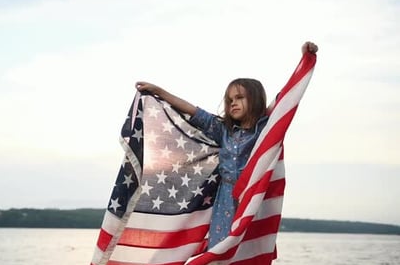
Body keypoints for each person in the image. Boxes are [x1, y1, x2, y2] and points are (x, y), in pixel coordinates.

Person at [135, 41, 318, 248]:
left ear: (256, 99)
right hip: (225, 200)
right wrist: (159, 91)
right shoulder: (224, 130)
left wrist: (305, 59)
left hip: (252, 198)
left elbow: (288, 96)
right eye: (229, 99)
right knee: (220, 250)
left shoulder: (267, 128)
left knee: (245, 251)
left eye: (240, 98)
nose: (233, 103)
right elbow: (195, 112)